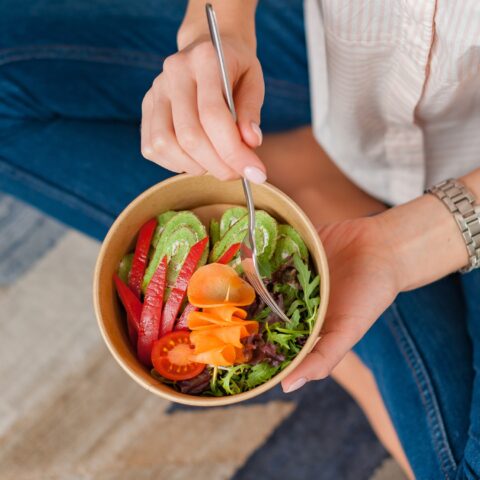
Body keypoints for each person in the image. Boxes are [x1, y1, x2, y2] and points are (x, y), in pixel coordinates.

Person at [1, 1, 479, 478]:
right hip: (340, 63)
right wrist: (220, 27)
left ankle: (351, 307)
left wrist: (403, 246)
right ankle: (315, 192)